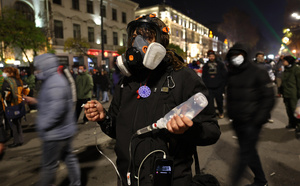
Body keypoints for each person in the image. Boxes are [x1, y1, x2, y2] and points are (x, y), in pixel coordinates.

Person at [84, 14, 221, 186]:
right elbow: (117, 131)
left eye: (146, 36)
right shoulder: (127, 81)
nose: (138, 42)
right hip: (128, 179)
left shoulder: (184, 78)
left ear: (161, 42)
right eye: (134, 37)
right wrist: (103, 118)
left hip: (170, 180)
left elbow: (212, 131)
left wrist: (187, 130)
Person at [24, 53, 81, 186]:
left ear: (45, 67)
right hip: (63, 132)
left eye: (38, 68)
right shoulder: (54, 81)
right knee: (69, 158)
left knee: (49, 166)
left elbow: (57, 110)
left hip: (55, 134)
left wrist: (42, 124)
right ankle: (76, 183)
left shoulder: (54, 83)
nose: (37, 72)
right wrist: (36, 101)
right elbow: (52, 103)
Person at [226, 43, 275, 186]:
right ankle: (261, 180)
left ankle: (234, 182)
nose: (235, 58)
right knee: (249, 153)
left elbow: (268, 98)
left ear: (245, 56)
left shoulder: (258, 72)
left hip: (252, 122)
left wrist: (257, 120)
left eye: (238, 55)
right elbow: (230, 95)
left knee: (244, 154)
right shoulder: (232, 73)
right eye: (232, 56)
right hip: (238, 121)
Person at [2, 67, 30, 148]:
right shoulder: (19, 80)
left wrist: (6, 98)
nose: (4, 74)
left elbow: (6, 94)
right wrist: (21, 96)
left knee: (13, 124)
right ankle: (20, 140)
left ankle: (16, 141)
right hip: (20, 105)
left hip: (11, 105)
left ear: (10, 73)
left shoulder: (7, 82)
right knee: (18, 123)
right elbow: (27, 89)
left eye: (5, 72)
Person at [202, 50, 227, 119]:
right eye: (210, 56)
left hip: (218, 86)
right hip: (209, 87)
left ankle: (220, 112)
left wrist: (223, 86)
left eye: (212, 56)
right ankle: (212, 114)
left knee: (219, 101)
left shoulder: (220, 64)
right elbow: (204, 76)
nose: (211, 57)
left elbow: (224, 75)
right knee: (210, 102)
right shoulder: (206, 65)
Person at [280, 55, 300, 130]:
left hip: (293, 94)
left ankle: (299, 125)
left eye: (284, 61)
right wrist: (280, 90)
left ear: (289, 61)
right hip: (286, 93)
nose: (283, 62)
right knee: (288, 110)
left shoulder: (296, 69)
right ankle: (292, 123)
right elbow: (283, 81)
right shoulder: (285, 69)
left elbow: (299, 82)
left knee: (296, 110)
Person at [255, 51, 275, 123]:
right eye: (259, 56)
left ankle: (268, 117)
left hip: (265, 86)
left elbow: (271, 74)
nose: (260, 58)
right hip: (256, 86)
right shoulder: (253, 65)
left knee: (266, 102)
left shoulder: (267, 66)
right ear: (256, 57)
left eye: (262, 56)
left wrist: (272, 79)